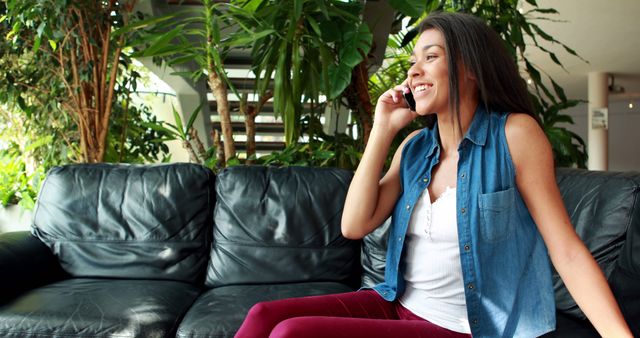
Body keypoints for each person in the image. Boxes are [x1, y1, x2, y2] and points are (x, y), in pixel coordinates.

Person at [234, 12, 633, 338]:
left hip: (463, 326)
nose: (414, 72)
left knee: (292, 334)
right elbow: (354, 225)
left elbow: (565, 250)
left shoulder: (514, 135)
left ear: (471, 68)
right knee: (263, 316)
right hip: (397, 304)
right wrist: (382, 130)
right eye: (412, 62)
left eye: (431, 57)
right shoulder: (414, 149)